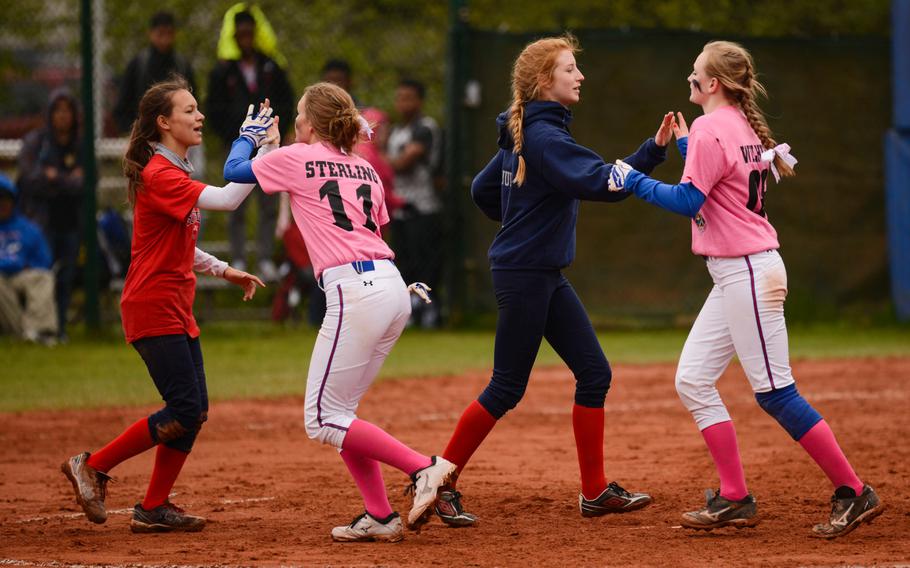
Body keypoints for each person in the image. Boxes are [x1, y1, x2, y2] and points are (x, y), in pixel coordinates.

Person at [610, 40, 884, 538]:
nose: (689, 80)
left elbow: (688, 198)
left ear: (712, 84)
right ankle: (734, 496)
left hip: (748, 272)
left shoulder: (718, 126)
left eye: (695, 74)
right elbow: (719, 185)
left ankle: (853, 490)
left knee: (776, 393)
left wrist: (631, 179)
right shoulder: (737, 126)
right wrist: (688, 146)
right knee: (693, 379)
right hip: (738, 272)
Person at [432, 34, 675, 527]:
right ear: (545, 82)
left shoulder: (525, 135)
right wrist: (652, 152)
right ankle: (438, 482)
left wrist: (521, 215)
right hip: (526, 274)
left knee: (594, 374)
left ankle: (593, 492)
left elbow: (484, 191)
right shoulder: (544, 139)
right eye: (570, 69)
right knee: (505, 388)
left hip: (538, 271)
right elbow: (603, 183)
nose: (579, 75)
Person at [223, 82, 456, 543]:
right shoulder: (365, 166)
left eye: (299, 116)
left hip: (355, 288)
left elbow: (233, 171)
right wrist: (275, 149)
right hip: (391, 285)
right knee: (343, 413)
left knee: (322, 419)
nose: (295, 122)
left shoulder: (297, 156)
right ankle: (381, 515)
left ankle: (423, 468)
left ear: (312, 123)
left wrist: (249, 137)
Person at [60, 78, 269, 533]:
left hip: (173, 304)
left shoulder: (171, 172)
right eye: (189, 110)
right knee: (184, 408)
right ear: (163, 122)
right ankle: (92, 466)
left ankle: (153, 507)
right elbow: (230, 200)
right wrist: (251, 146)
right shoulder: (161, 173)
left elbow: (178, 244)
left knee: (194, 411)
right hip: (152, 305)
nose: (199, 117)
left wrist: (224, 269)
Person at [207, 6, 295, 280]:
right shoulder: (223, 72)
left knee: (268, 202)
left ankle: (265, 257)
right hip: (236, 144)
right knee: (235, 200)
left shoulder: (271, 66)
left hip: (268, 142)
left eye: (249, 32)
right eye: (240, 33)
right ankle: (239, 256)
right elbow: (214, 106)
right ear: (234, 36)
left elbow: (287, 100)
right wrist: (228, 135)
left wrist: (278, 128)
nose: (245, 38)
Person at [16, 88, 84, 342]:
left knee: (66, 275)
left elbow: (85, 183)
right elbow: (29, 179)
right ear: (50, 114)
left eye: (68, 111)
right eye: (58, 111)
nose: (63, 116)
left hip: (71, 221)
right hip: (41, 222)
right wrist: (65, 179)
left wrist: (55, 177)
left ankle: (61, 327)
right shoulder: (36, 142)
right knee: (43, 274)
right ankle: (41, 327)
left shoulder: (80, 144)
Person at [387, 79, 443, 327]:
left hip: (423, 205)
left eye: (409, 97)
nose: (403, 103)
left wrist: (374, 158)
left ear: (419, 101)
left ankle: (430, 310)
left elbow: (403, 163)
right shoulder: (396, 131)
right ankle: (408, 309)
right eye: (400, 97)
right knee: (403, 262)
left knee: (425, 262)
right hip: (399, 207)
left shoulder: (425, 128)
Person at [113, 11, 196, 135]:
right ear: (151, 34)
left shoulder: (182, 65)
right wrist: (133, 131)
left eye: (169, 33)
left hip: (177, 133)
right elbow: (123, 103)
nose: (165, 39)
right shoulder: (138, 64)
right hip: (144, 132)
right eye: (160, 33)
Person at [0, 174, 58, 345]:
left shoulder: (28, 229)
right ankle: (20, 332)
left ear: (14, 201)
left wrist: (26, 266)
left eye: (6, 199)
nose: (2, 204)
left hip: (21, 275)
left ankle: (40, 331)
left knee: (42, 277)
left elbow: (44, 261)